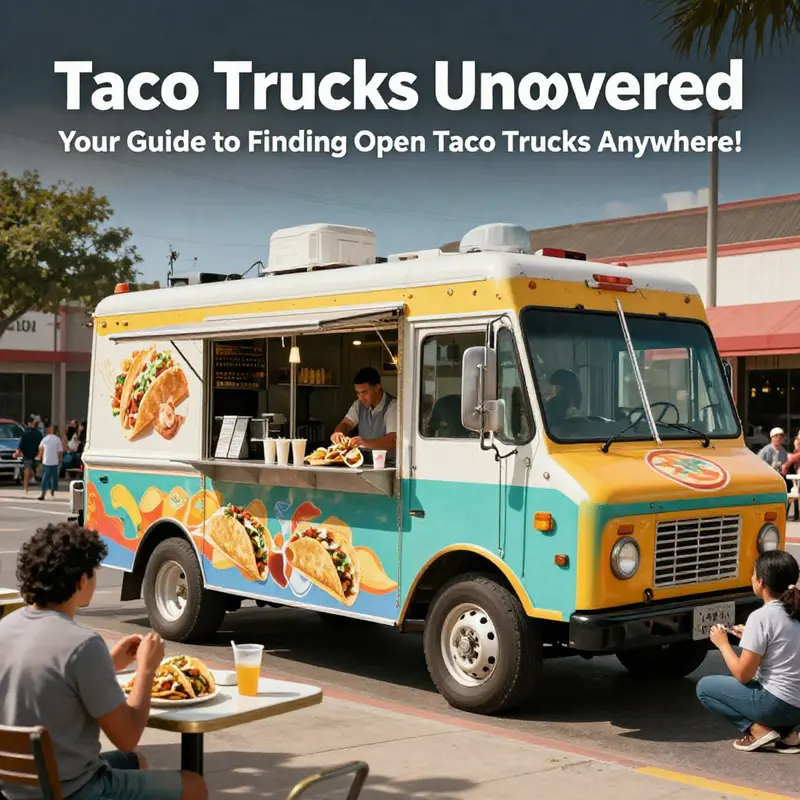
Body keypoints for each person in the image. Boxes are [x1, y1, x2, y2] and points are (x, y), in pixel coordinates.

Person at [0, 522, 207, 800]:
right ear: (82, 580)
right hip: (73, 790)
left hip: (13, 789)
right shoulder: (82, 644)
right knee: (194, 785)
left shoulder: (6, 627)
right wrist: (146, 668)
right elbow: (128, 735)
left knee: (134, 761)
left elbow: (47, 680)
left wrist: (108, 664)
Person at [696, 550, 800, 753]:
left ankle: (757, 731)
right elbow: (782, 648)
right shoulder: (795, 610)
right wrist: (749, 638)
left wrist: (723, 644)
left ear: (760, 582)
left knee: (705, 688)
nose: (751, 578)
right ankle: (788, 735)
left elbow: (743, 675)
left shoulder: (761, 617)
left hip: (778, 704)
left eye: (753, 574)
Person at [332, 367, 397, 464]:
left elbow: (392, 440)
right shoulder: (358, 404)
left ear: (377, 387)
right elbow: (346, 423)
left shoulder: (393, 406)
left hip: (387, 464)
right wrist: (338, 432)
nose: (360, 397)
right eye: (358, 393)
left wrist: (364, 443)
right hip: (364, 463)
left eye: (364, 392)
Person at [14, 416, 42, 493]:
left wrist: (18, 451)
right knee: (39, 471)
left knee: (27, 472)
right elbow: (41, 445)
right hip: (36, 455)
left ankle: (26, 488)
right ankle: (42, 487)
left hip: (27, 455)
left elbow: (21, 444)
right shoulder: (39, 434)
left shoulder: (26, 433)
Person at [37, 423, 63, 500]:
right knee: (54, 477)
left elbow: (41, 448)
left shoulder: (45, 439)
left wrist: (40, 457)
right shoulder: (57, 439)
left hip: (46, 460)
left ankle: (43, 492)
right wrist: (60, 459)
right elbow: (60, 451)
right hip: (54, 461)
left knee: (45, 476)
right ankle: (52, 489)